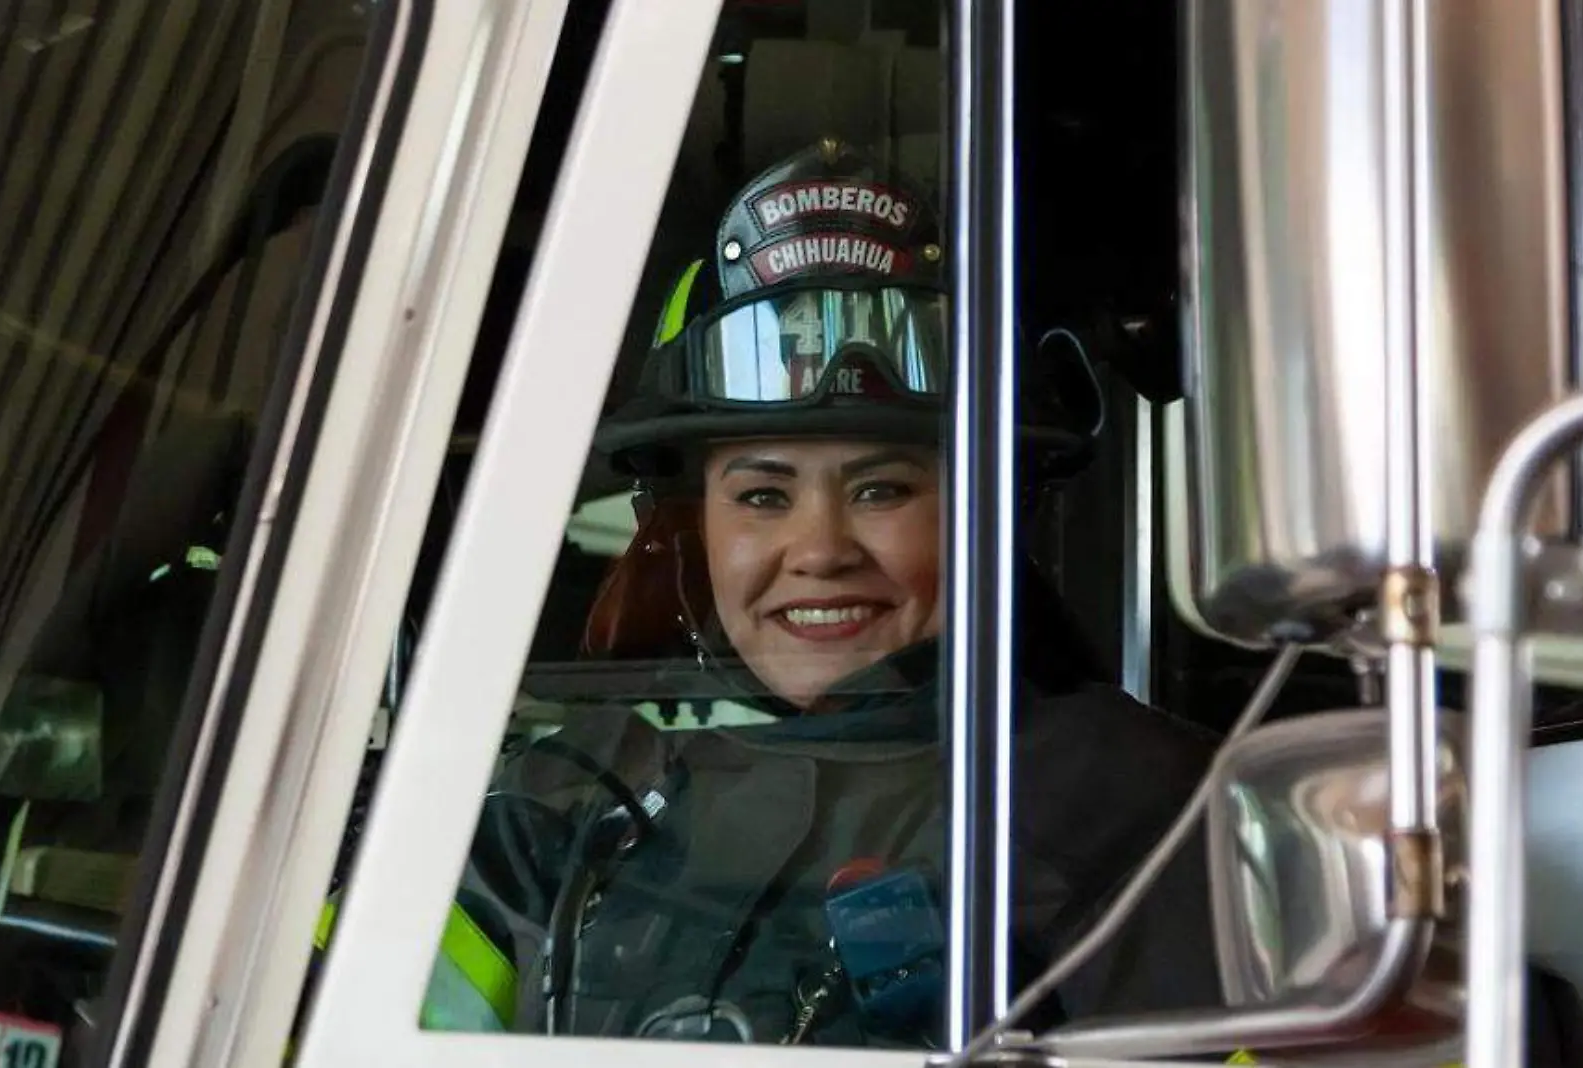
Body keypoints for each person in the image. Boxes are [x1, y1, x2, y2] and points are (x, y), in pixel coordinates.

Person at [409, 138, 1225, 1049]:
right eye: (762, 495)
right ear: (692, 527)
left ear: (990, 510)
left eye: (882, 489)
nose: (821, 550)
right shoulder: (559, 810)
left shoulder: (1142, 810)